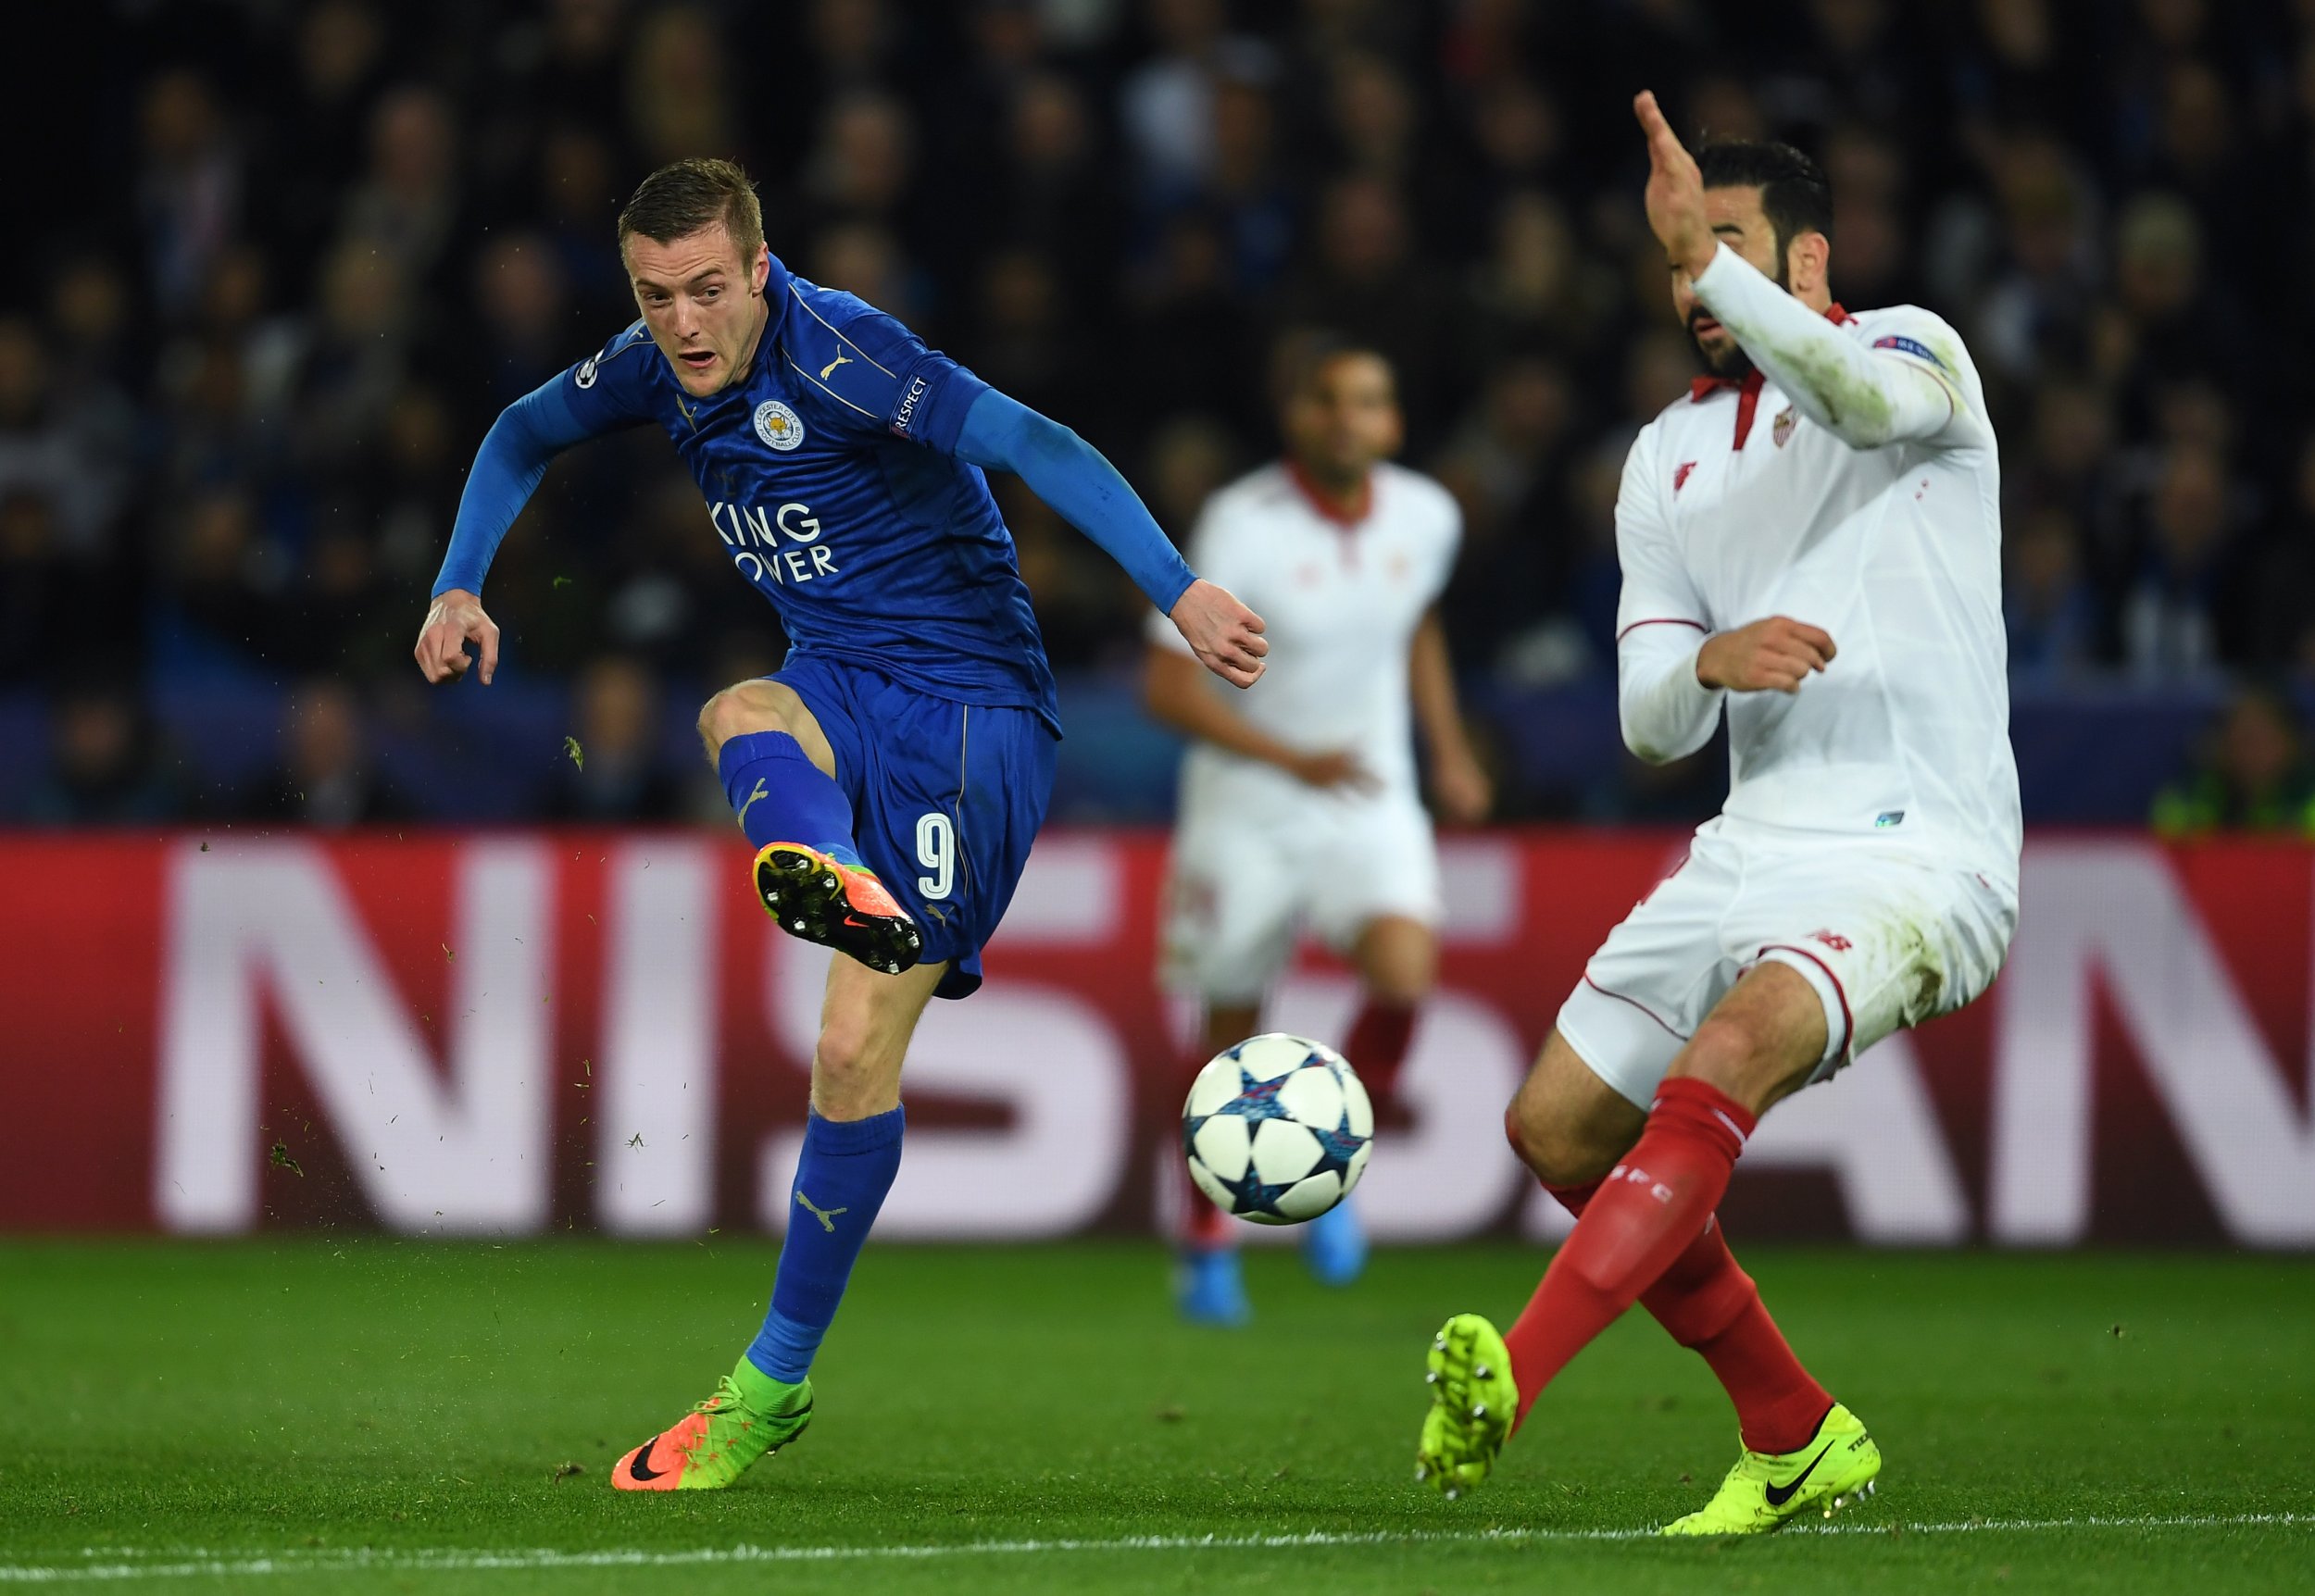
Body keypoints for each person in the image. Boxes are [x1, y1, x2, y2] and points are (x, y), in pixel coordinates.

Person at [411, 159, 1265, 1491]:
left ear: (759, 271)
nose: (683, 326)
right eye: (654, 298)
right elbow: (519, 432)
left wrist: (1180, 588)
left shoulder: (852, 357)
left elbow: (1035, 442)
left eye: (706, 291)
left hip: (972, 718)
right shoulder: (652, 361)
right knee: (735, 707)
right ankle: (820, 864)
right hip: (838, 680)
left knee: (850, 1046)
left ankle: (766, 1389)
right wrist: (461, 582)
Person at [1413, 96, 2020, 1534]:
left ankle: (1520, 1367)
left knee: (1731, 1047)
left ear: (1809, 261)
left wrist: (1718, 261)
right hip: (1749, 843)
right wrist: (1708, 659)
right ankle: (1795, 1430)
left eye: (1723, 247)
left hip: (1915, 850)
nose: (1692, 281)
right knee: (1556, 1129)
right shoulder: (1664, 457)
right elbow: (1646, 721)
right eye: (1680, 258)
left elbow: (1856, 400)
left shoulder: (1912, 355)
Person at [1143, 340, 1489, 1322]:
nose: (1350, 418)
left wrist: (1449, 748)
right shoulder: (1240, 521)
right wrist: (1292, 758)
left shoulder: (1427, 515)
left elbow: (1412, 620)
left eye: (1370, 401)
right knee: (1227, 1028)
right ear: (1298, 416)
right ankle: (1205, 1242)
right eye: (1330, 400)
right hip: (1247, 805)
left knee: (1405, 972)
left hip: (1367, 792)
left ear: (1393, 422)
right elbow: (1165, 683)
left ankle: (1331, 1177)